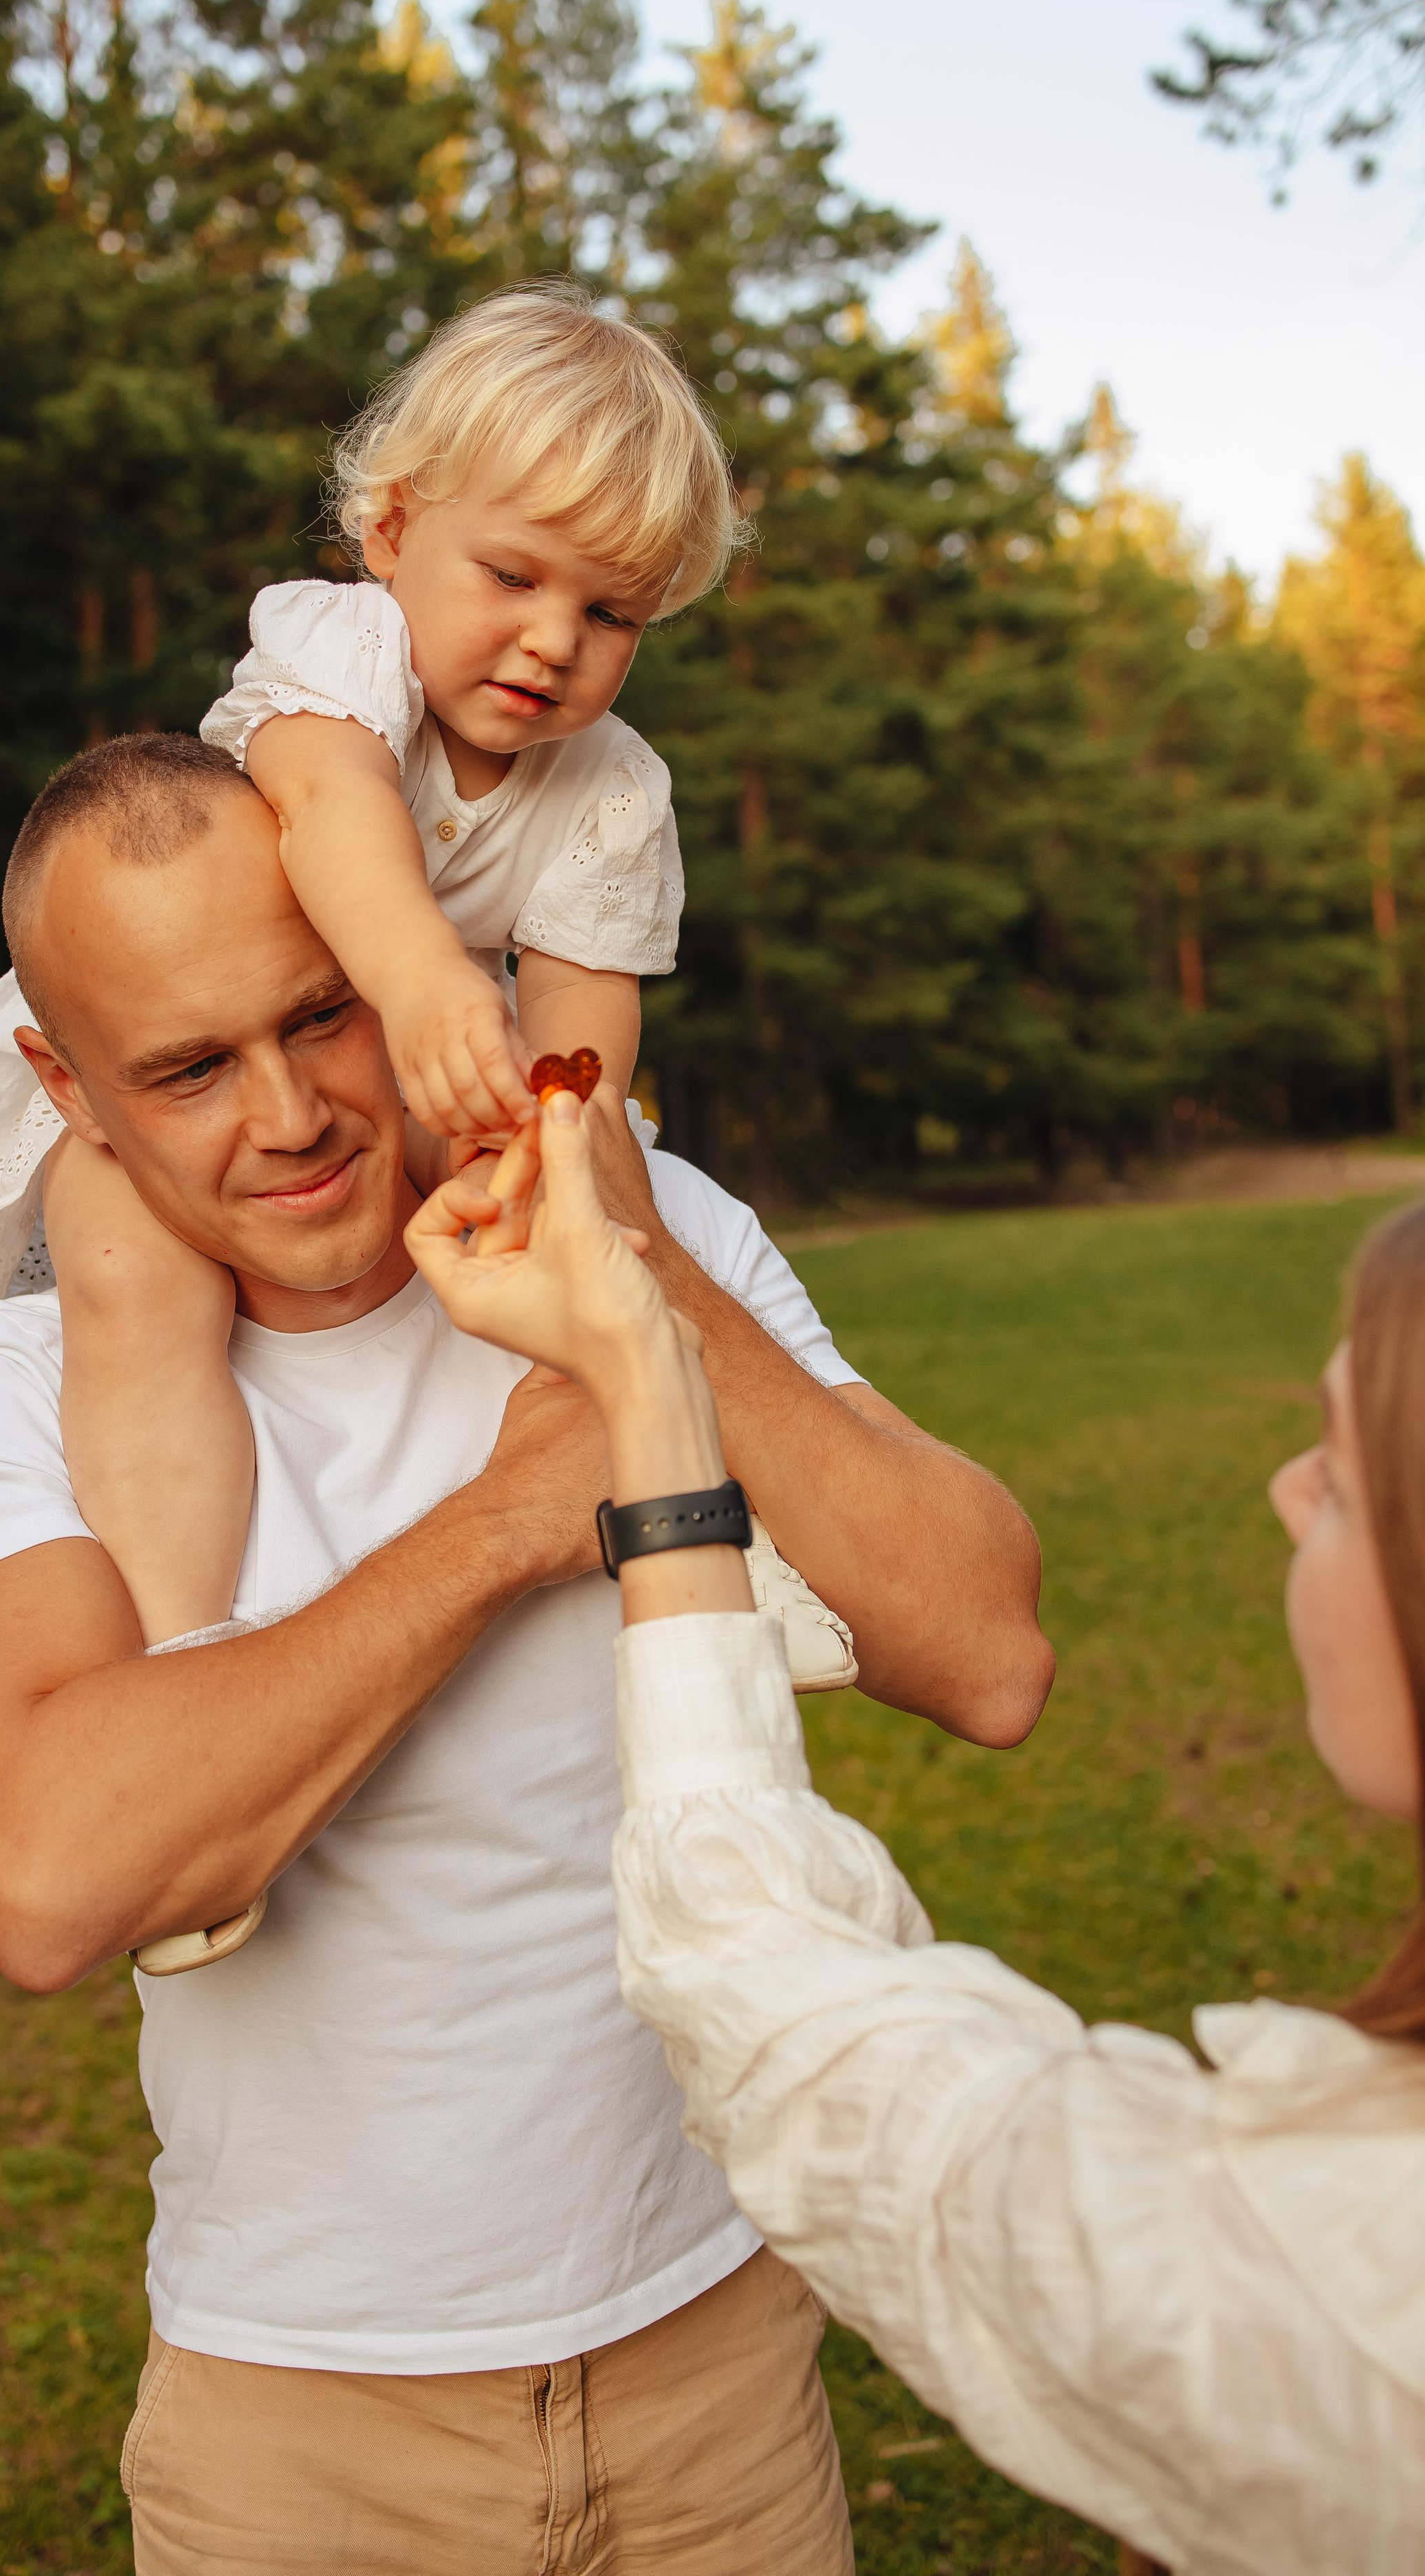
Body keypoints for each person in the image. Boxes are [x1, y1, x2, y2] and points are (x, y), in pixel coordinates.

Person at [0, 733, 1052, 2575]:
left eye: (326, 1014)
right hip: (301, 2429)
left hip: (717, 2365)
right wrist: (513, 1520)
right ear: (68, 1090)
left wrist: (636, 1277)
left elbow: (987, 1652)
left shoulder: (653, 1231)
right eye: (190, 1068)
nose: (291, 1115)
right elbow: (44, 1880)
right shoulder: (14, 1386)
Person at [407, 1088, 1425, 2576]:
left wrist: (649, 1386)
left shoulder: (1325, 2272)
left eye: (1343, 1476)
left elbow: (768, 1989)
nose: (1284, 1489)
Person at [0, 282, 854, 1700]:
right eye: (513, 577)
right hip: (202, 1045)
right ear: (393, 532)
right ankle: (185, 1647)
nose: (553, 640)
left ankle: (714, 1529)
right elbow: (333, 814)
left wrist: (549, 1135)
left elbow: (583, 1014)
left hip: (406, 1059)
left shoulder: (613, 787)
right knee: (132, 1283)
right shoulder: (341, 652)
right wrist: (418, 986)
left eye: (609, 613)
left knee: (583, 1241)